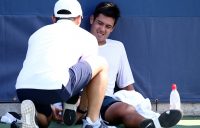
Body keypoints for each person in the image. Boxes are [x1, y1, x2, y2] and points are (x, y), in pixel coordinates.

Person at [65, 1, 183, 128]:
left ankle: (152, 124)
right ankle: (79, 116)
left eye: (108, 26)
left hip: (105, 100)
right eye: (100, 23)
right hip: (78, 100)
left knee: (125, 109)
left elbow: (127, 86)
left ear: (113, 28)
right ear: (92, 19)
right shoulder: (77, 43)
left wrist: (135, 103)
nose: (102, 29)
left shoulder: (117, 47)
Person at [15, 0, 109, 128]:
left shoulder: (35, 35)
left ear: (53, 18)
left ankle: (33, 118)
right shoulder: (87, 37)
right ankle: (93, 122)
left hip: (23, 90)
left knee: (46, 118)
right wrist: (81, 110)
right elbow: (90, 77)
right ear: (79, 19)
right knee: (101, 63)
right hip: (57, 88)